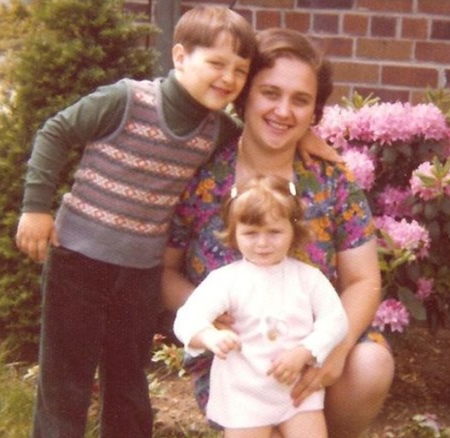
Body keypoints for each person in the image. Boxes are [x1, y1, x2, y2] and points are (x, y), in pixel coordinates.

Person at [14, 6, 334, 437]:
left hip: (140, 272)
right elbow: (55, 132)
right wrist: (36, 208)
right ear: (180, 56)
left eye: (240, 70)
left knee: (128, 380)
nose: (228, 78)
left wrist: (305, 134)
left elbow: (259, 130)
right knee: (65, 382)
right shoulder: (125, 100)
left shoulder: (215, 127)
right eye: (216, 63)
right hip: (79, 260)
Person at [162, 28, 395, 438]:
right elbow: (163, 272)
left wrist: (334, 352)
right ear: (245, 95)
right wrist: (207, 316)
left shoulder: (331, 181)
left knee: (371, 364)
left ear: (314, 112)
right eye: (270, 93)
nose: (284, 111)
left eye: (300, 100)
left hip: (315, 337)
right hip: (236, 353)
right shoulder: (201, 176)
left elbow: (363, 279)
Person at [174, 174, 349, 437]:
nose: (263, 243)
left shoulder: (308, 278)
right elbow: (187, 319)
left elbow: (335, 320)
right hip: (245, 393)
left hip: (296, 391)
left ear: (293, 230)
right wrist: (209, 336)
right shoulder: (226, 280)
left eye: (274, 232)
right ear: (234, 234)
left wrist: (306, 351)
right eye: (251, 233)